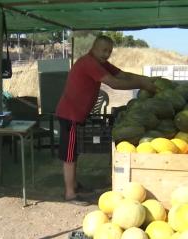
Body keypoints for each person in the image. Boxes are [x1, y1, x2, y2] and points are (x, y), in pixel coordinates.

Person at [55, 35, 159, 205]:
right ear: (94, 47)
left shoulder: (100, 63)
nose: (106, 54)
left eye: (109, 51)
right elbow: (115, 83)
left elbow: (122, 74)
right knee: (69, 155)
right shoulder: (89, 63)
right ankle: (70, 194)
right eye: (103, 50)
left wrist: (143, 79)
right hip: (70, 114)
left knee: (74, 152)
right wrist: (141, 85)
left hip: (76, 114)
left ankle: (74, 185)